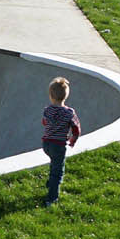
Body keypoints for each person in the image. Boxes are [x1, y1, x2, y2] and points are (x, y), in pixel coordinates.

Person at [39, 77, 83, 207]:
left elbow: (44, 122)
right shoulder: (69, 113)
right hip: (58, 145)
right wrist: (72, 140)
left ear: (51, 96)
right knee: (58, 172)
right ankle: (51, 198)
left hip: (46, 144)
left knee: (54, 163)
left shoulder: (47, 110)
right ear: (66, 96)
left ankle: (50, 183)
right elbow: (76, 129)